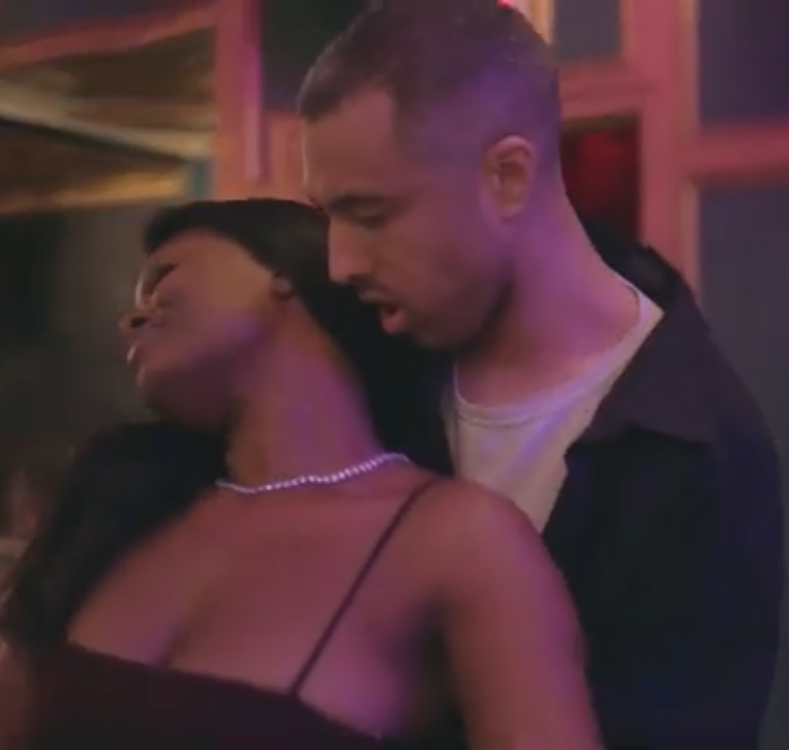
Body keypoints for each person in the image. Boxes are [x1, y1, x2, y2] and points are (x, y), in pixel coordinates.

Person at [297, 1, 784, 748]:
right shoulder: (363, 365)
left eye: (371, 214)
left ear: (507, 176)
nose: (341, 262)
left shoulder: (699, 462)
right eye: (328, 216)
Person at [0, 199, 600, 749]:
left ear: (286, 275)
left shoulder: (457, 536)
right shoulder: (110, 512)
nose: (131, 317)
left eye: (162, 278)